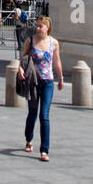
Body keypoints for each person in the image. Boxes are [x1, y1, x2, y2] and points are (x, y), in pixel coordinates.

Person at [18, 15, 63, 161]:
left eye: (40, 26)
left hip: (48, 82)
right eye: (36, 25)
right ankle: (29, 138)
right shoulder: (30, 41)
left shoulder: (54, 43)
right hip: (34, 81)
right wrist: (20, 69)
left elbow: (57, 61)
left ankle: (44, 150)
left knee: (44, 115)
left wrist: (61, 78)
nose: (37, 28)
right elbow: (23, 58)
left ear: (47, 27)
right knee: (32, 113)